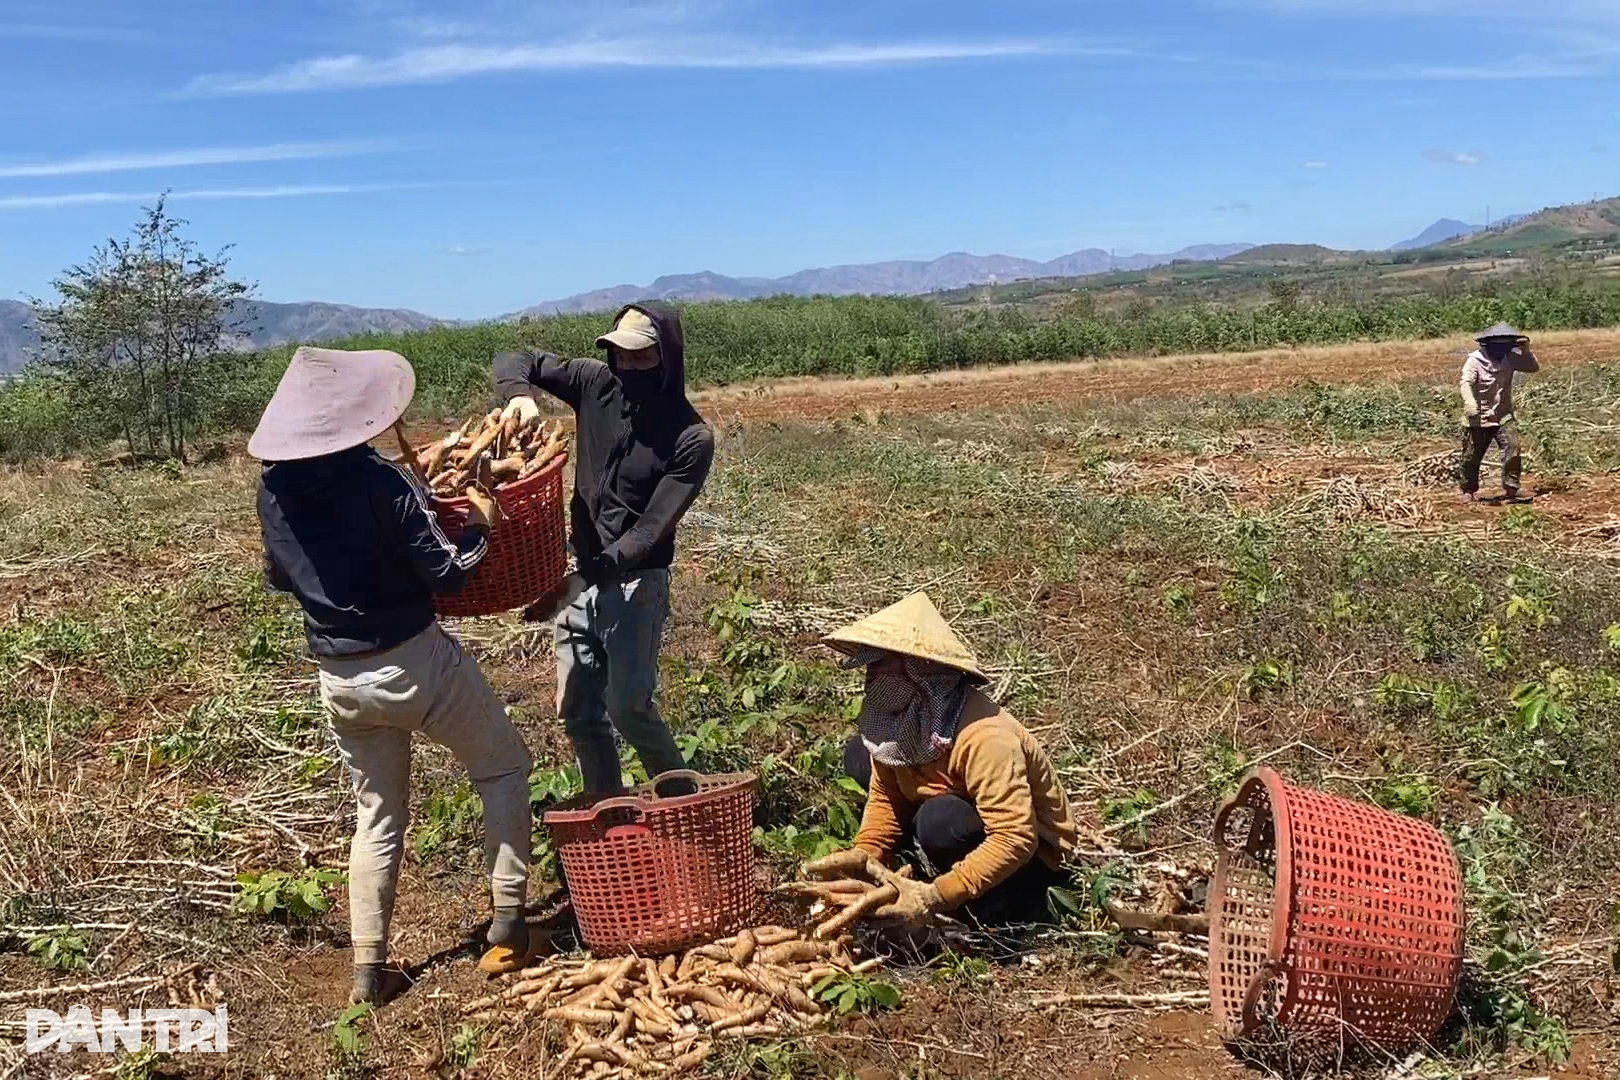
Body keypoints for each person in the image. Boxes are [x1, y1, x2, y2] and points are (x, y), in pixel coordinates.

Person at [251, 346, 536, 1003]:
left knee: (377, 818)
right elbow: (446, 571)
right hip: (412, 661)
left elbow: (279, 575)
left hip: (339, 676)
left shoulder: (273, 490)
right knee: (502, 769)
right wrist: (484, 530)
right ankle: (510, 923)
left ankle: (368, 970)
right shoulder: (382, 483)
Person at [494, 303, 714, 796]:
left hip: (635, 581)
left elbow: (649, 531)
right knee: (578, 710)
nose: (628, 368)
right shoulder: (595, 384)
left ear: (668, 358)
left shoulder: (689, 436)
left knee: (628, 706)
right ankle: (607, 804)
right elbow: (516, 356)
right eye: (621, 356)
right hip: (583, 570)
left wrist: (583, 578)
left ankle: (683, 802)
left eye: (642, 358)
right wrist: (519, 397)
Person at [810, 593, 1078, 926]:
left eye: (880, 664)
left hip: (1032, 863)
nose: (870, 676)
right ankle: (929, 864)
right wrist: (866, 857)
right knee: (859, 756)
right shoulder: (902, 719)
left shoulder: (985, 736)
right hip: (962, 819)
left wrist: (935, 895)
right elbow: (886, 797)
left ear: (918, 668)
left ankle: (991, 913)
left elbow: (1015, 837)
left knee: (939, 820)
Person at [1459, 323, 1541, 504]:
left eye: (1506, 346)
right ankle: (1468, 490)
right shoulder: (1475, 360)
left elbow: (1533, 368)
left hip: (1503, 414)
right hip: (1479, 417)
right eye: (1498, 346)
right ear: (1487, 345)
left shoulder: (1510, 358)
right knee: (1471, 455)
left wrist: (1526, 351)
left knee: (1513, 447)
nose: (1501, 349)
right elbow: (1466, 382)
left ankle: (1511, 488)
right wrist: (1470, 403)